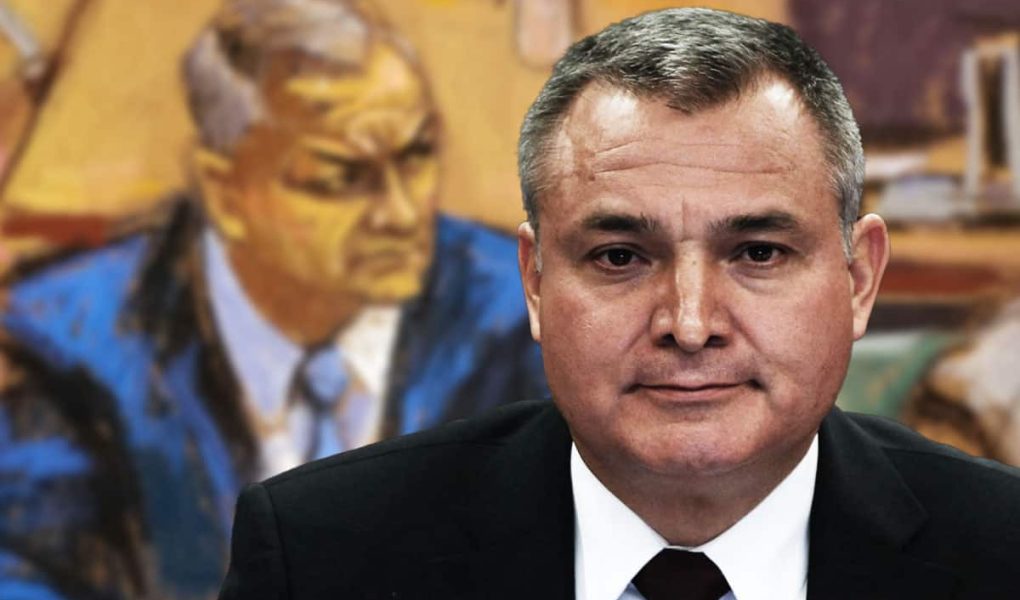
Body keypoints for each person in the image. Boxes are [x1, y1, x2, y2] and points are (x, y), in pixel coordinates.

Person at [218, 7, 1020, 600]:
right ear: (535, 281)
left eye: (758, 253)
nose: (691, 325)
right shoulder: (322, 559)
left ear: (858, 279)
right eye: (620, 257)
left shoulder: (1001, 552)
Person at [0, 1, 545, 598]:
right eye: (342, 178)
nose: (402, 213)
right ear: (225, 191)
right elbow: (23, 570)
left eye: (416, 156)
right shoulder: (79, 347)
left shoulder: (521, 314)